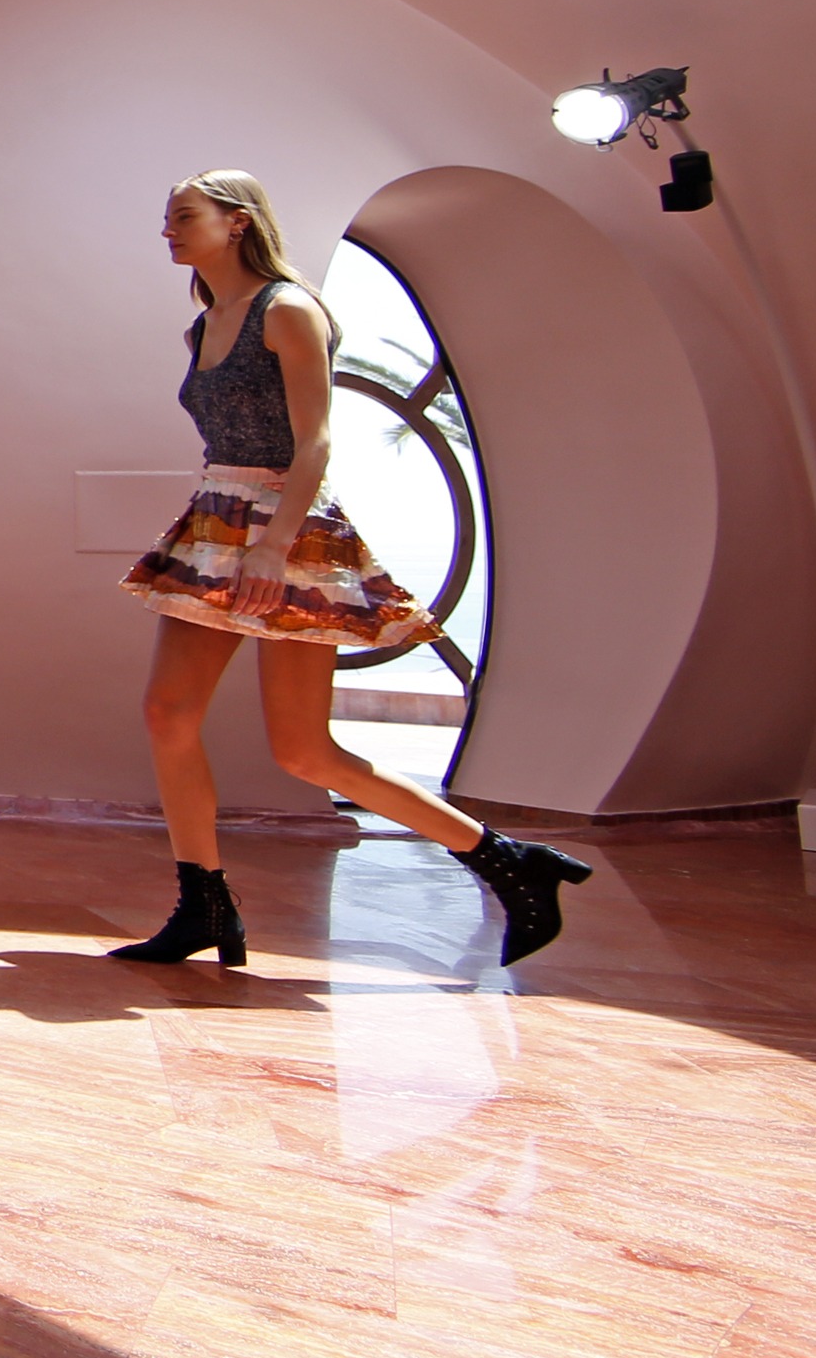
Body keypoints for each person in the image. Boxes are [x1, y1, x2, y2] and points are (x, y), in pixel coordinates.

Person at [113, 171, 588, 967]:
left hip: (287, 533)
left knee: (303, 752)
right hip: (214, 520)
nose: (169, 229)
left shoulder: (288, 310)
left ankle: (508, 859)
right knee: (167, 713)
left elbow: (317, 442)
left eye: (183, 216)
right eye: (166, 218)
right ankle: (204, 902)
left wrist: (274, 544)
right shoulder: (205, 326)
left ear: (236, 223)